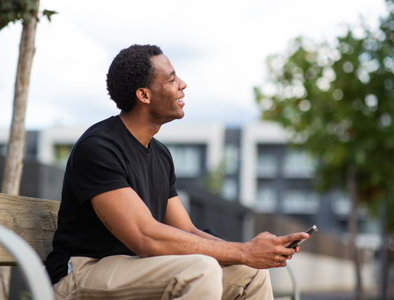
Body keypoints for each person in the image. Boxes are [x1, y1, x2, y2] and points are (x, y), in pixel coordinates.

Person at [45, 44, 309, 300]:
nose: (182, 84)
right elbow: (145, 237)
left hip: (136, 270)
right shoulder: (99, 148)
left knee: (250, 274)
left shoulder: (160, 155)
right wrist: (243, 251)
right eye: (171, 79)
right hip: (81, 273)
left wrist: (251, 253)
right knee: (199, 270)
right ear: (144, 95)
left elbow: (187, 231)